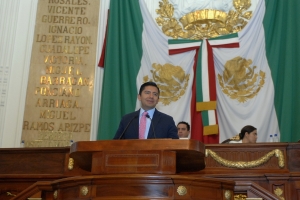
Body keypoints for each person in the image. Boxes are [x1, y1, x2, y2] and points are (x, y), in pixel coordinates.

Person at [113, 82, 179, 139]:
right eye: (147, 93)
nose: (151, 96)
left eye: (155, 94)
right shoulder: (127, 119)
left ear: (158, 100)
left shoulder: (167, 120)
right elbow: (116, 143)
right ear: (139, 97)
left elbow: (174, 145)